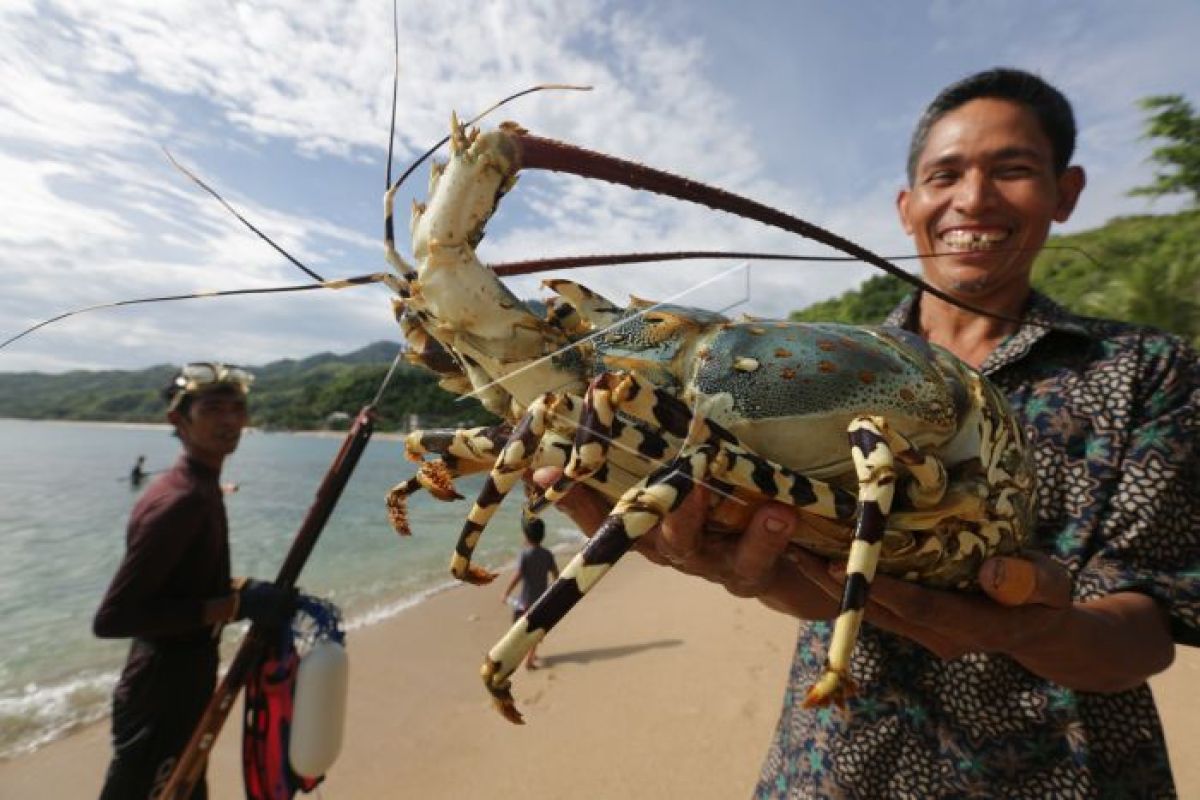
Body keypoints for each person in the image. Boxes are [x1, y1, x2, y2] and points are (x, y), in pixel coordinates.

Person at [538, 68, 1199, 797]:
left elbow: (1151, 626)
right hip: (843, 764)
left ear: (1066, 192)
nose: (972, 198)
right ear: (907, 204)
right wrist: (738, 560)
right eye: (945, 174)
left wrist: (1025, 629)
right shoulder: (812, 364)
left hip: (1068, 777)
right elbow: (806, 578)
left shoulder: (1147, 371)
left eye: (1012, 169)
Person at [94, 362, 297, 800]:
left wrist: (241, 590)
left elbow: (183, 585)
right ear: (178, 420)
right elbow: (114, 617)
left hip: (186, 680)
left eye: (237, 408)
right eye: (212, 409)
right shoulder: (180, 500)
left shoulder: (202, 486)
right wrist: (234, 607)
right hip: (159, 692)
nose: (229, 420)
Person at [500, 515, 560, 669]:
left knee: (519, 630)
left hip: (524, 603)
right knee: (535, 631)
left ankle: (523, 656)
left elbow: (518, 576)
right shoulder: (547, 554)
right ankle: (530, 657)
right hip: (541, 602)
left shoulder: (525, 554)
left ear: (526, 535)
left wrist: (506, 593)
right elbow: (556, 575)